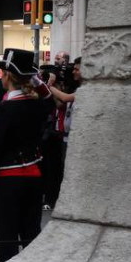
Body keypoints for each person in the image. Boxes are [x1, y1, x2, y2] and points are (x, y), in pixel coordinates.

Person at [0, 48, 54, 262]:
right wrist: (37, 81)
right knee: (31, 236)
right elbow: (50, 101)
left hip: (8, 181)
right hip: (34, 177)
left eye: (3, 72)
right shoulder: (37, 104)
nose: (1, 76)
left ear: (9, 75)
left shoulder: (4, 109)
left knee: (6, 240)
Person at [41, 56, 80, 212]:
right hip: (59, 134)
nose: (74, 72)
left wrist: (50, 85)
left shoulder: (81, 90)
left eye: (77, 69)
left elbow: (64, 98)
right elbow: (60, 104)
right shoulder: (71, 89)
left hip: (69, 136)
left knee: (64, 170)